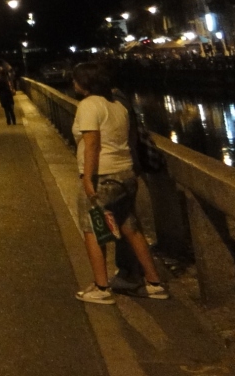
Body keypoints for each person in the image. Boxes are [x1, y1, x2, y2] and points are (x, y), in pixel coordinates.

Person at [70, 62, 169, 303]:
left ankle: (101, 287)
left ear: (85, 82)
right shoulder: (117, 106)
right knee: (130, 227)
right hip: (125, 174)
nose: (73, 83)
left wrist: (88, 178)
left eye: (75, 79)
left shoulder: (89, 105)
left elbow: (92, 143)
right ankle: (154, 283)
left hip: (102, 177)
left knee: (93, 230)